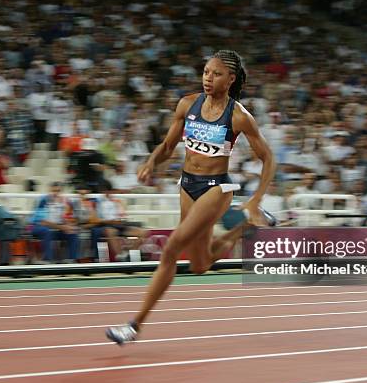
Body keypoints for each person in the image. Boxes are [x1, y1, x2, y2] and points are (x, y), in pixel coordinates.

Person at [106, 50, 276, 345]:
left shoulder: (238, 116)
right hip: (187, 185)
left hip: (216, 188)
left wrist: (256, 198)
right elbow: (169, 144)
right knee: (199, 265)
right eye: (206, 72)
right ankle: (244, 225)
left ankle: (133, 326)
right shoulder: (187, 104)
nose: (209, 78)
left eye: (217, 74)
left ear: (231, 79)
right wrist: (151, 161)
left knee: (171, 248)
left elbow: (268, 158)